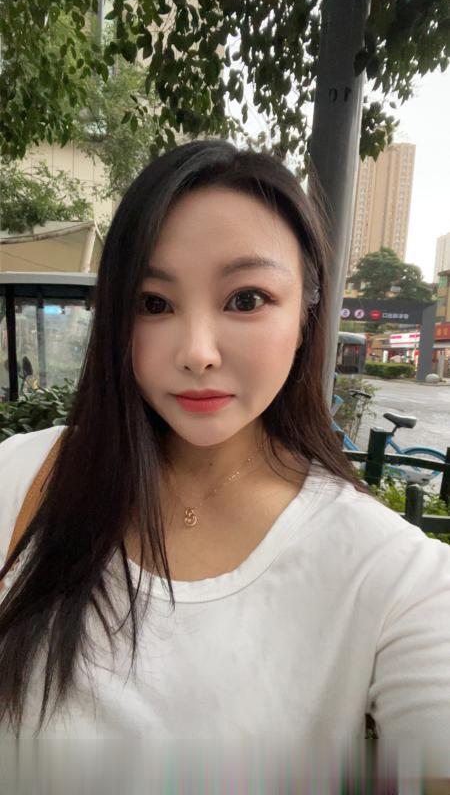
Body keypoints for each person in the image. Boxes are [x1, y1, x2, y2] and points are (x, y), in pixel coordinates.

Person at [0, 139, 449, 792]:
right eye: (154, 303)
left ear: (307, 314)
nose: (198, 352)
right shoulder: (23, 476)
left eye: (246, 299)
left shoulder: (394, 575)